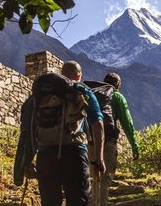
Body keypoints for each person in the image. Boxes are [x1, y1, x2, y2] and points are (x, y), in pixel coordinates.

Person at [28, 61, 106, 206]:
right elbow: (98, 124)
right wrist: (99, 159)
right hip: (74, 154)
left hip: (45, 155)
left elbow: (28, 126)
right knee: (78, 201)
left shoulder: (41, 95)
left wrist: (26, 160)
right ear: (79, 75)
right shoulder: (80, 90)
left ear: (61, 73)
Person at [88, 72, 139, 206]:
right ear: (118, 85)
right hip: (108, 141)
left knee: (94, 178)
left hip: (91, 142)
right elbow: (127, 123)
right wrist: (134, 145)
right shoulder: (117, 96)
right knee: (104, 179)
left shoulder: (93, 95)